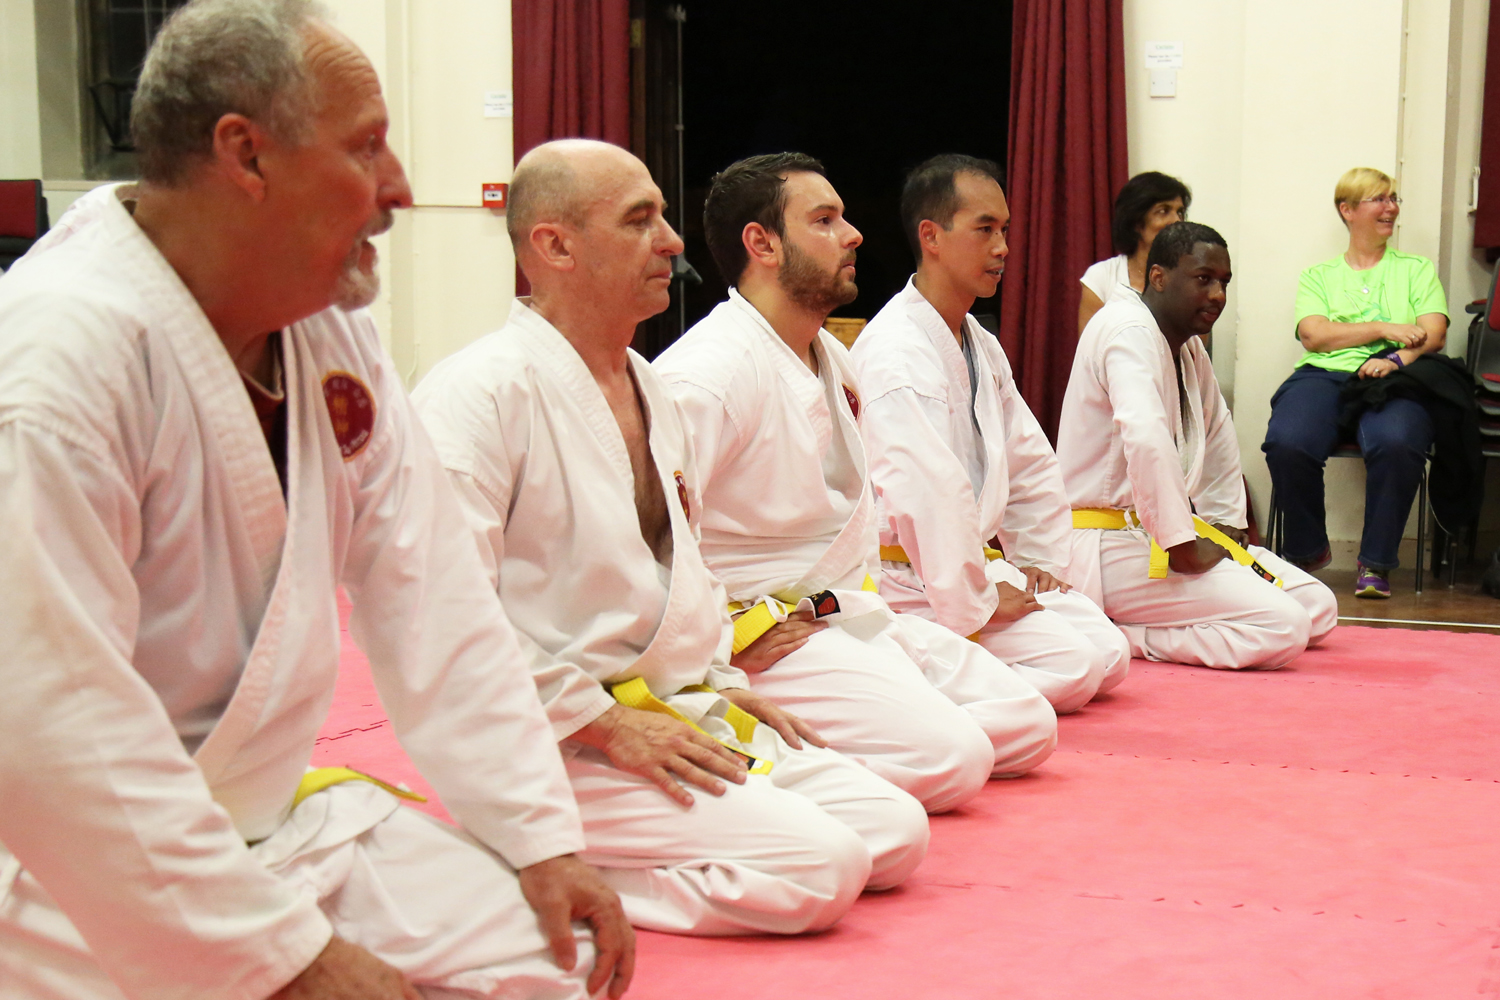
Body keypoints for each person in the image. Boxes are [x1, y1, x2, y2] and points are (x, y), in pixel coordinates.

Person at [0, 3, 633, 998]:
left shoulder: (324, 328)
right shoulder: (56, 364)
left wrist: (538, 836)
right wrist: (283, 960)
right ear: (245, 155)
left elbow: (432, 592)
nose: (400, 187)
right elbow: (47, 720)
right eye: (367, 147)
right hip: (65, 857)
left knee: (551, 955)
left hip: (274, 824)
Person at [412, 139, 929, 937]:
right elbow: (440, 615)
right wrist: (607, 724)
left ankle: (598, 850)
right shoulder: (475, 396)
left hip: (672, 707)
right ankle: (515, 864)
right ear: (555, 246)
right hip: (546, 734)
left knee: (894, 833)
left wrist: (718, 675)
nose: (673, 241)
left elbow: (683, 567)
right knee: (823, 868)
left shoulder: (648, 386)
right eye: (639, 220)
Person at [655, 153, 1058, 813]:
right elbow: (654, 540)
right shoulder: (706, 376)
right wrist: (724, 643)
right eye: (824, 221)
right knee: (955, 759)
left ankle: (834, 743)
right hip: (763, 638)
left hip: (840, 611)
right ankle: (766, 749)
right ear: (762, 244)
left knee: (1027, 722)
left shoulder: (832, 357)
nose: (853, 234)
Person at [849, 154, 1129, 715]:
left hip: (969, 564)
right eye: (984, 230)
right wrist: (975, 600)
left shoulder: (978, 341)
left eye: (1004, 230)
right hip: (910, 579)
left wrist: (1038, 560)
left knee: (1110, 652)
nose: (1002, 247)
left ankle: (948, 664)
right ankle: (895, 691)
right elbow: (924, 491)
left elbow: (1027, 459)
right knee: (1073, 667)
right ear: (931, 236)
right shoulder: (896, 350)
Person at [1057, 221, 1339, 670]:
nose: (1217, 295)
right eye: (1203, 279)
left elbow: (1218, 434)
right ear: (1158, 277)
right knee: (1284, 625)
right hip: (1105, 544)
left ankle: (1121, 625)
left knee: (1318, 608)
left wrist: (1224, 523)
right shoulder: (1125, 331)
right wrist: (1182, 544)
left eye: (1224, 282)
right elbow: (1146, 438)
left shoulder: (1187, 348)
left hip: (1156, 535)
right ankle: (1125, 635)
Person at [1261, 167, 1449, 598]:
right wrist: (1385, 327)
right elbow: (1315, 335)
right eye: (1378, 199)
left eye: (1394, 198)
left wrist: (1395, 356)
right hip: (1325, 374)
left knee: (1398, 442)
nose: (1391, 208)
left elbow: (1433, 333)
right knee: (1288, 442)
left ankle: (1376, 563)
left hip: (1397, 377)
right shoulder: (1319, 275)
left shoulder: (1416, 269)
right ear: (1346, 210)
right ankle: (1307, 551)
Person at [1077, 171, 1191, 332]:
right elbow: (1091, 344)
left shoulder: (1188, 276)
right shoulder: (1101, 277)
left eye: (1179, 212)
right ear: (1136, 222)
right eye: (1163, 211)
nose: (1176, 220)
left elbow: (1195, 345)